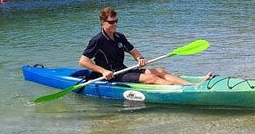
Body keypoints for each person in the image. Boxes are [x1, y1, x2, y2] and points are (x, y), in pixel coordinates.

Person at [79, 7, 212, 85]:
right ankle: (181, 90)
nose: (115, 24)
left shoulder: (120, 36)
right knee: (151, 78)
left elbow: (133, 51)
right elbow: (83, 61)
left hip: (124, 70)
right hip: (113, 75)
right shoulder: (98, 40)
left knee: (159, 71)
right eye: (111, 22)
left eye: (116, 21)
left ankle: (193, 85)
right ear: (103, 22)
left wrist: (140, 58)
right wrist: (103, 71)